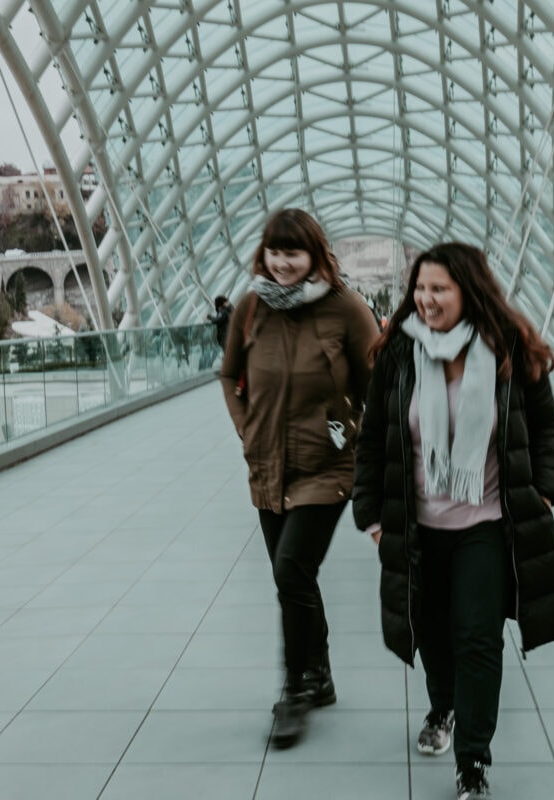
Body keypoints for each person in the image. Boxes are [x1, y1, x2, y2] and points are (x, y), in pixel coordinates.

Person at [352, 242, 554, 800]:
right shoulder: (397, 355)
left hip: (486, 524)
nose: (425, 300)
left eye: (438, 289)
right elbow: (373, 438)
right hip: (417, 523)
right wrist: (372, 519)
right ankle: (442, 706)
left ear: (468, 292)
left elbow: (547, 426)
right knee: (431, 632)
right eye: (419, 289)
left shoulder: (508, 351)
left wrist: (546, 492)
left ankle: (473, 761)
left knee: (477, 638)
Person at [219, 208, 379, 749]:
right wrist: (246, 431)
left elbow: (379, 384)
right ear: (263, 255)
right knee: (296, 579)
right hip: (268, 465)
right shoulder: (250, 308)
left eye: (294, 252)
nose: (283, 263)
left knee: (291, 569)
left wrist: (354, 440)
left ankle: (293, 690)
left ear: (315, 255)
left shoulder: (347, 310)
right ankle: (322, 673)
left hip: (326, 466)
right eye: (275, 251)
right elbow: (229, 375)